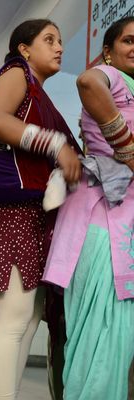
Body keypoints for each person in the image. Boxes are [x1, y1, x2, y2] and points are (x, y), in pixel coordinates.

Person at [0, 19, 81, 400]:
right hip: (13, 210)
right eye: (48, 40)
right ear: (24, 48)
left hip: (35, 213)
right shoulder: (17, 74)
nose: (59, 48)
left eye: (60, 41)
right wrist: (55, 145)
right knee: (13, 319)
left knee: (29, 320)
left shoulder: (41, 94)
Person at [43, 16, 134, 400]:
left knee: (116, 341)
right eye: (129, 41)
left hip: (124, 219)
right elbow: (86, 82)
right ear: (108, 52)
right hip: (102, 220)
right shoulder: (110, 78)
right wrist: (128, 148)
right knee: (98, 333)